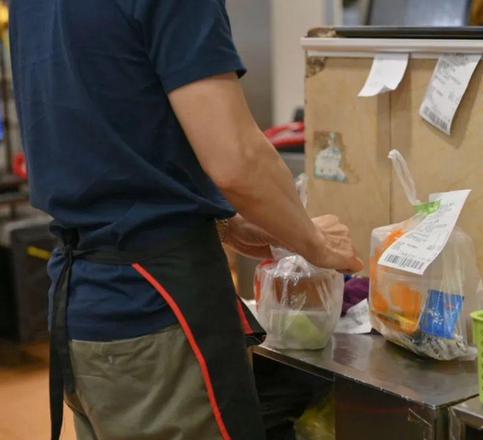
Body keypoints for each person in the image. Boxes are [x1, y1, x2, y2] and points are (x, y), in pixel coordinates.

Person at [9, 1, 363, 439]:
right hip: (155, 312)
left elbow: (104, 133)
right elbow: (237, 159)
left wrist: (223, 223)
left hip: (81, 313)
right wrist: (315, 242)